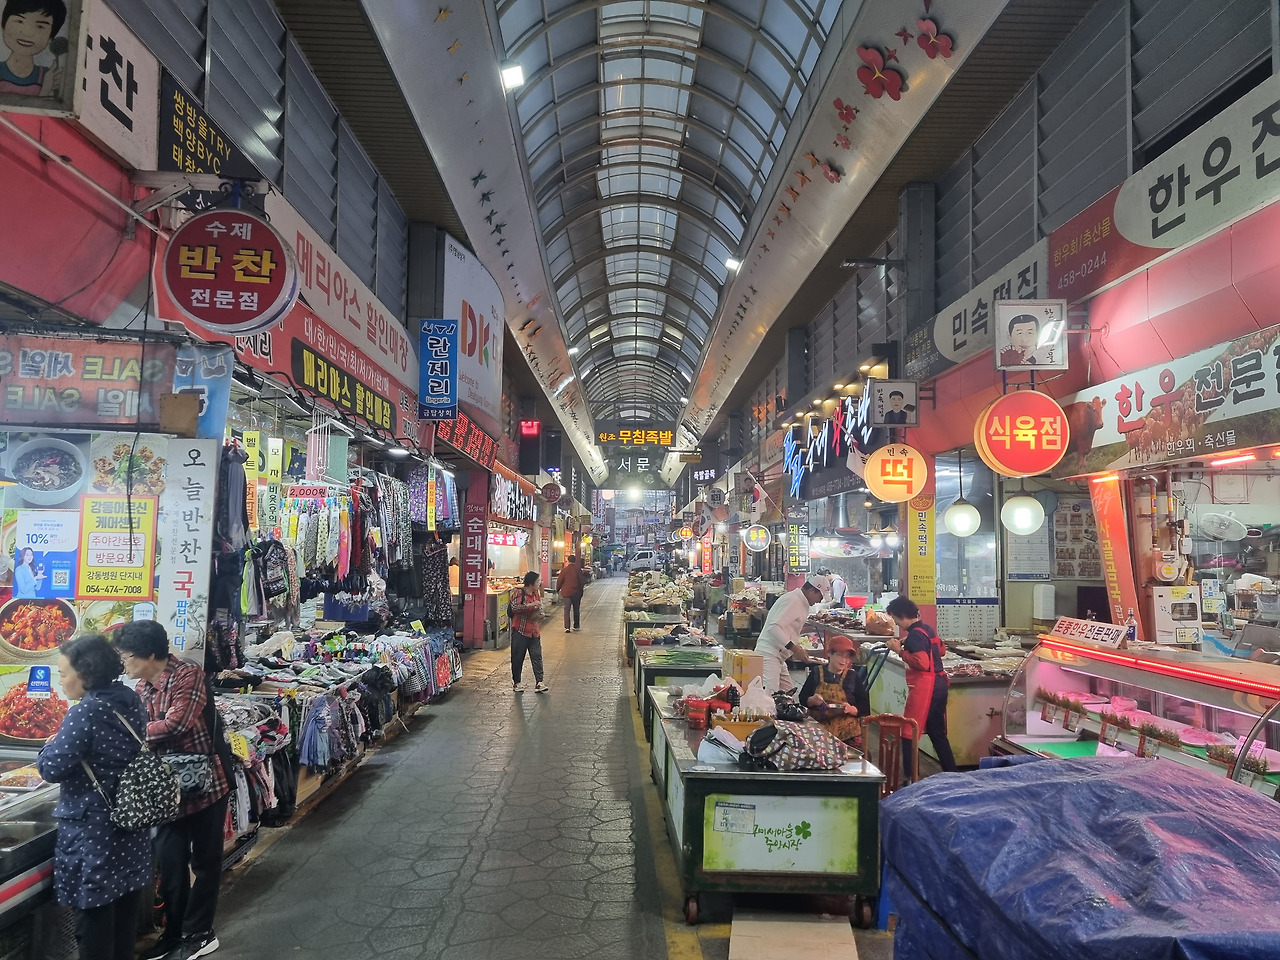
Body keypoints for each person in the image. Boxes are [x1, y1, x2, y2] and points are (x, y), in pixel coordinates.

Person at [115, 621, 229, 960]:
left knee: (206, 862)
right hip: (166, 790)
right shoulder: (143, 687)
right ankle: (174, 932)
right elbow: (147, 728)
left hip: (204, 783)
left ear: (150, 654)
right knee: (170, 862)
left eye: (127, 655)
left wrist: (131, 731)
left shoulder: (187, 674)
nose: (124, 662)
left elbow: (177, 723)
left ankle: (201, 933)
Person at [36, 634, 151, 960]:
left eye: (62, 674)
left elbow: (51, 767)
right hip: (129, 827)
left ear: (85, 672)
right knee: (123, 924)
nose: (60, 682)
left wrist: (50, 742)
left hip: (94, 834)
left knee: (94, 928)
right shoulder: (130, 699)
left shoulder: (84, 713)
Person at [885, 596, 957, 779]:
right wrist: (906, 642)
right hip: (940, 685)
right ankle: (953, 774)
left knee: (909, 731)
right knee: (937, 732)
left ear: (901, 616)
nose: (895, 622)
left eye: (894, 618)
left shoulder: (915, 635)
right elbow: (941, 650)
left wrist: (899, 651)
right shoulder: (926, 629)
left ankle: (911, 779)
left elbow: (922, 663)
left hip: (926, 688)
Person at [754, 575, 829, 693]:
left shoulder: (800, 600)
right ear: (812, 591)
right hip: (769, 654)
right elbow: (773, 628)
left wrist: (796, 648)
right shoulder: (794, 601)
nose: (819, 601)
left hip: (779, 656)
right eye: (820, 596)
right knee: (769, 696)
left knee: (788, 695)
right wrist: (795, 649)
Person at [799, 634, 870, 744]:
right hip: (818, 731)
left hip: (847, 733)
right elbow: (802, 698)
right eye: (840, 655)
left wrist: (852, 709)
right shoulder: (816, 673)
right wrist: (812, 700)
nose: (844, 660)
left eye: (847, 657)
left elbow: (865, 706)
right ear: (829, 654)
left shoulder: (853, 676)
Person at [0, 0, 65, 97]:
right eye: (19, 21)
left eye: (40, 26)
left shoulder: (48, 77)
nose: (27, 33)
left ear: (50, 37)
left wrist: (47, 88)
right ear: (3, 25)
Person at [509, 571, 548, 693]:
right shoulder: (519, 593)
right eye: (537, 581)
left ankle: (539, 682)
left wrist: (540, 614)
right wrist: (530, 605)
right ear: (531, 582)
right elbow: (514, 608)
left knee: (537, 657)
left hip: (534, 630)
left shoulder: (536, 594)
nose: (539, 583)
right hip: (520, 630)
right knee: (517, 657)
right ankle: (517, 683)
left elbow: (538, 608)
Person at [558, 554, 584, 632]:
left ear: (568, 560)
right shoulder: (578, 570)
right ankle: (576, 626)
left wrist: (557, 589)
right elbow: (581, 581)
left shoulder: (564, 570)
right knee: (576, 609)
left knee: (566, 610)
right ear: (575, 561)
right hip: (576, 592)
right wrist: (581, 591)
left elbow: (560, 580)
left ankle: (567, 627)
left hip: (566, 593)